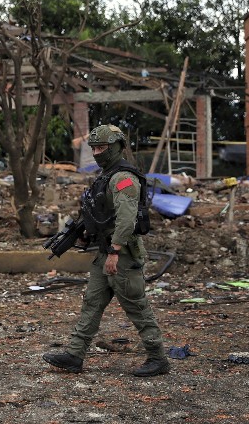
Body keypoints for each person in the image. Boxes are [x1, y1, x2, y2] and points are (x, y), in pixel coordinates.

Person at [43, 124, 169, 377]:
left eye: (103, 148)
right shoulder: (106, 176)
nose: (98, 152)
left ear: (117, 147)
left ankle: (158, 358)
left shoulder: (123, 178)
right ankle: (74, 355)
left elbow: (126, 218)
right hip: (105, 251)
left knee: (136, 305)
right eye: (95, 148)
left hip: (121, 254)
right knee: (92, 303)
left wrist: (114, 250)